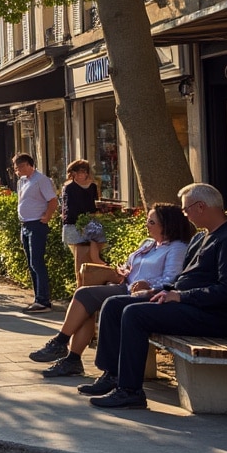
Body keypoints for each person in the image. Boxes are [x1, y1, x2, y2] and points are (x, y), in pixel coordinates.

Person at [83, 183, 227, 409]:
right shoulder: (200, 238)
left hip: (213, 317)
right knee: (114, 304)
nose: (184, 215)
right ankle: (113, 374)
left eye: (186, 210)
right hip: (190, 307)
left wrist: (181, 297)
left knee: (135, 314)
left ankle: (130, 391)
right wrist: (160, 290)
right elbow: (183, 279)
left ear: (201, 207)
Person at [28, 203, 194, 377]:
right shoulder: (150, 244)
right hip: (125, 286)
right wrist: (123, 269)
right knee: (86, 302)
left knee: (84, 296)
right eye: (147, 220)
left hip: (141, 295)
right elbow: (131, 264)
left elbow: (172, 279)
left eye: (151, 222)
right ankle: (70, 358)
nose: (147, 225)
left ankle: (63, 346)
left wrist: (148, 284)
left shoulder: (177, 248)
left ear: (166, 225)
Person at [14, 153, 58, 313]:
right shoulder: (22, 182)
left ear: (28, 165)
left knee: (37, 262)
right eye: (16, 168)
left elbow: (52, 200)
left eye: (19, 167)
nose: (17, 171)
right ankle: (38, 297)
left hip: (36, 225)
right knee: (31, 263)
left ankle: (43, 300)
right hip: (25, 224)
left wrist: (46, 218)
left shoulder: (41, 180)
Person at [59, 159, 102, 287]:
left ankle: (88, 285)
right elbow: (68, 208)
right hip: (74, 224)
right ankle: (80, 285)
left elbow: (94, 204)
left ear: (87, 173)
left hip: (91, 224)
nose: (79, 175)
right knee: (80, 257)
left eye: (82, 172)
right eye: (76, 172)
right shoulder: (69, 187)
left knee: (91, 257)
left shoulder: (93, 186)